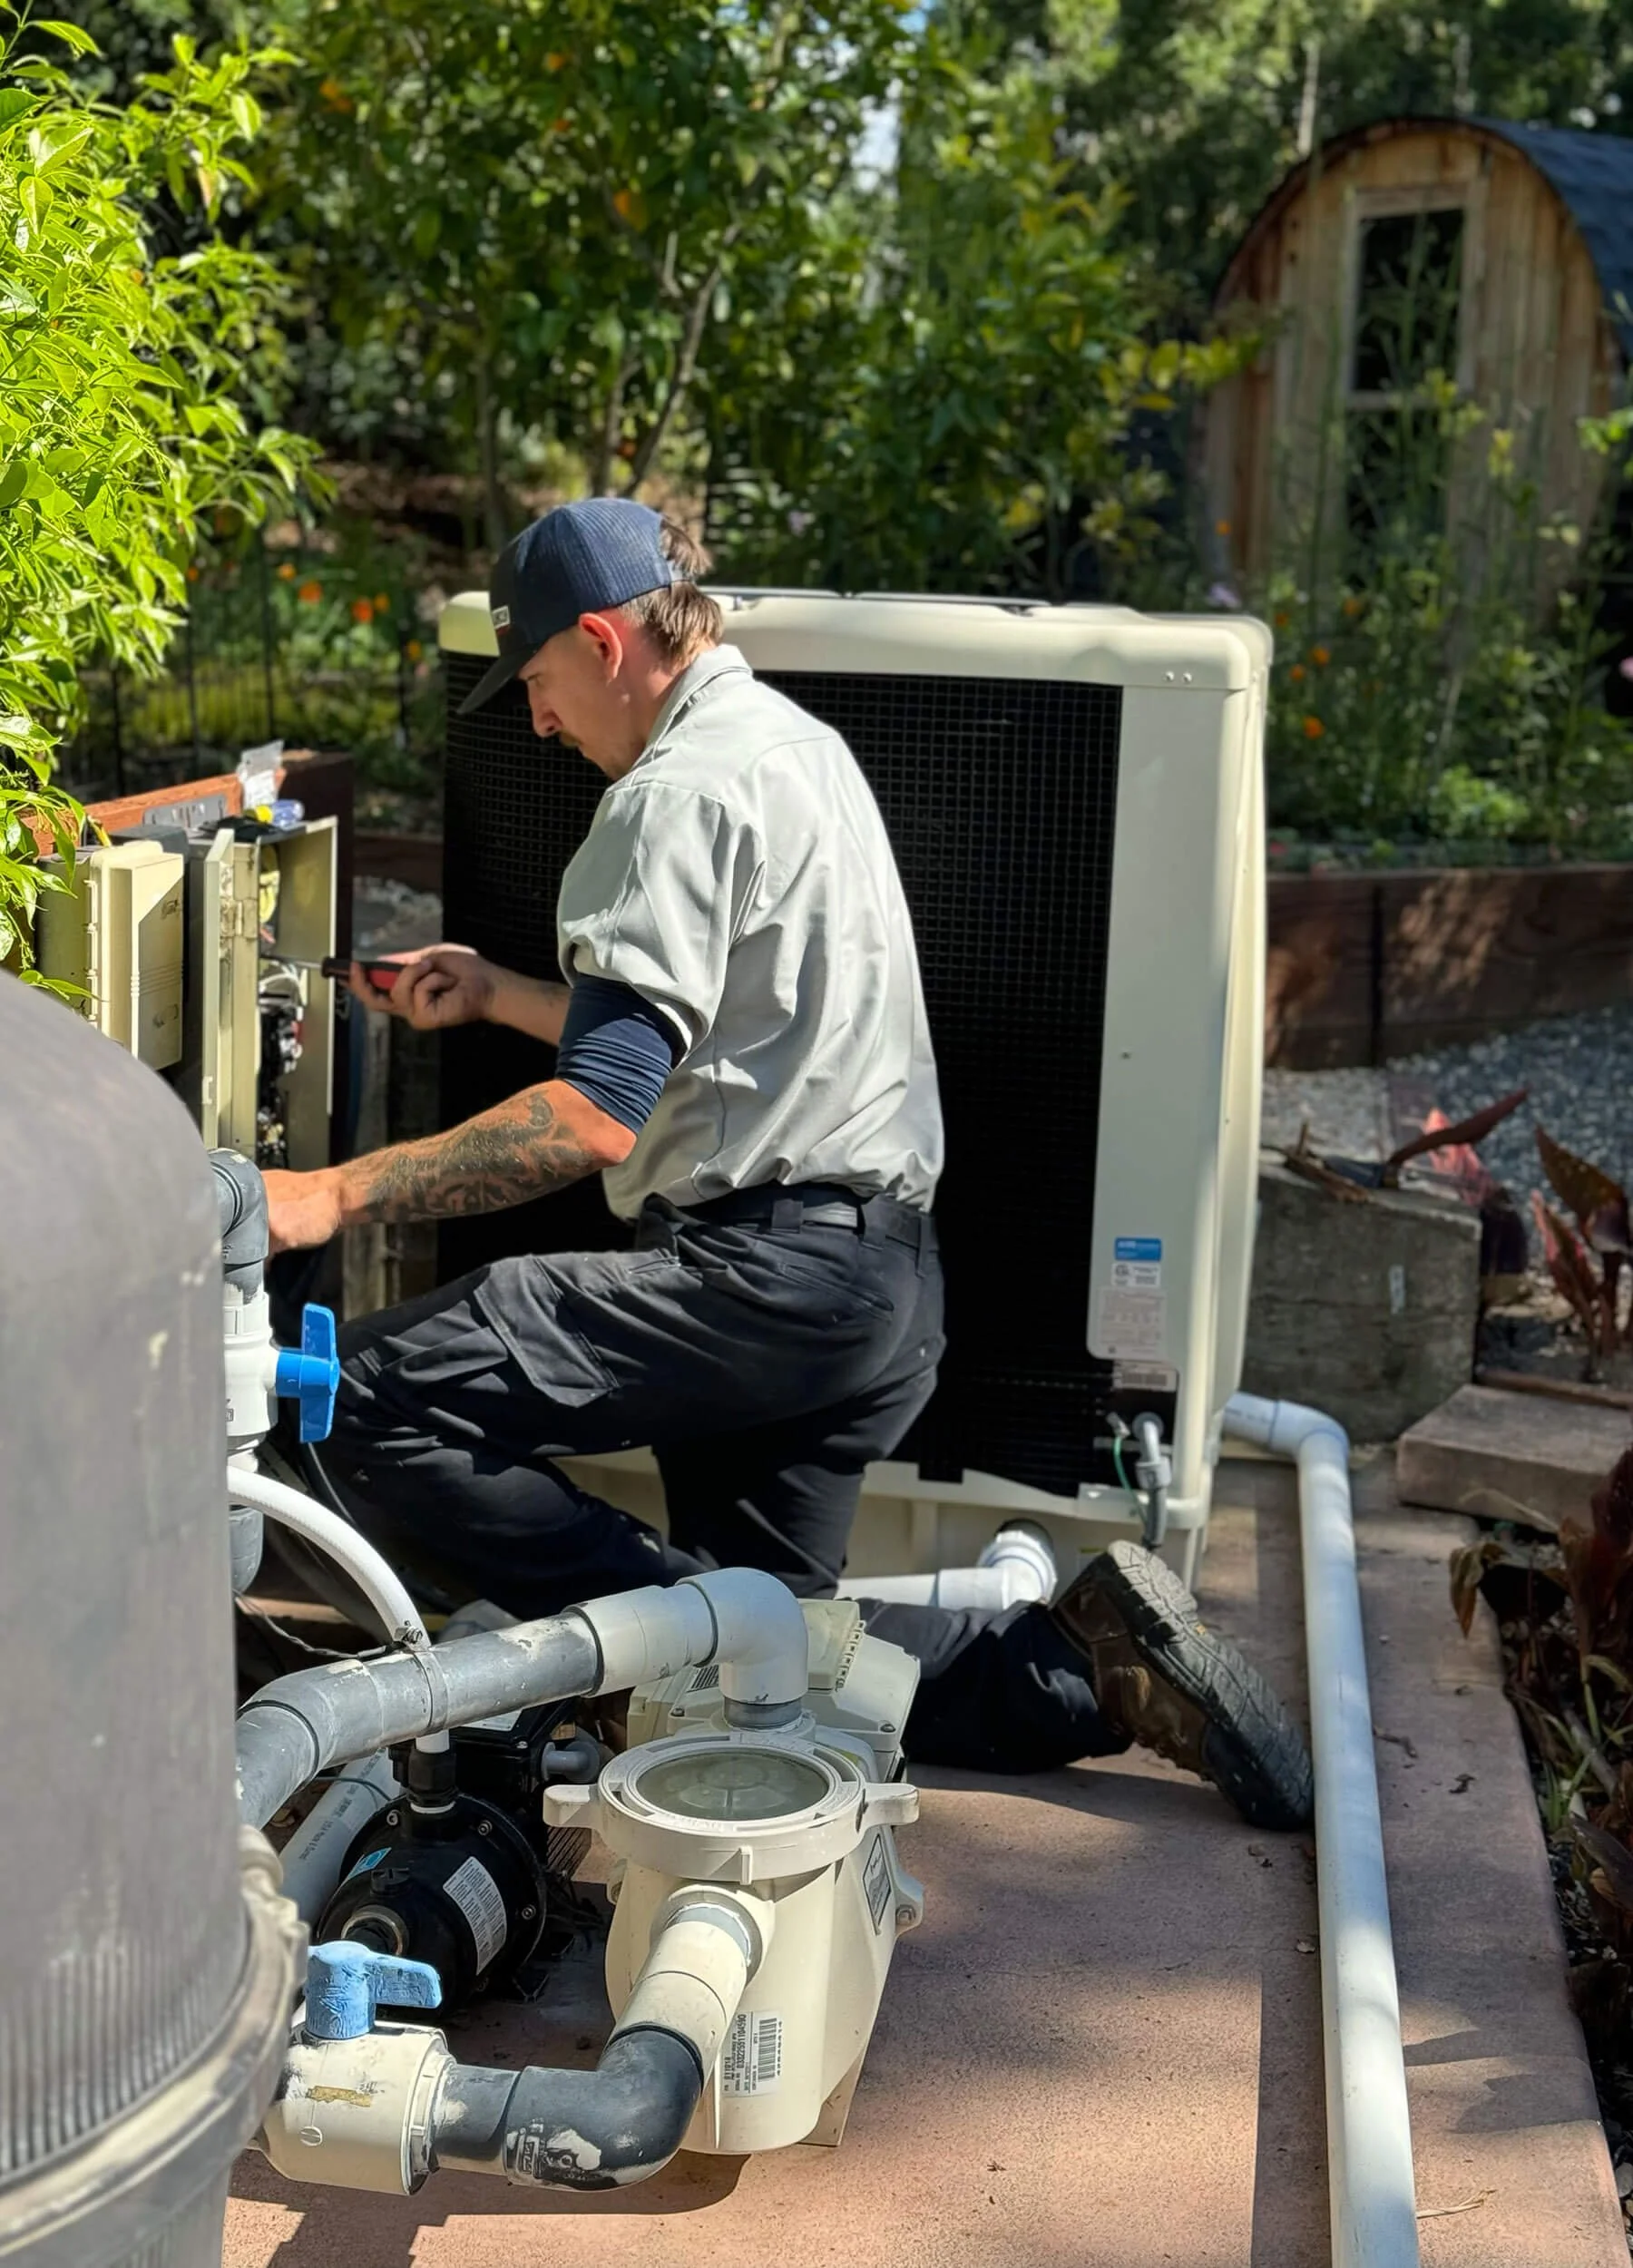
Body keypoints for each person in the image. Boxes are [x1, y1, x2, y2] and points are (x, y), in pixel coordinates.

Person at [263, 498, 1312, 1829]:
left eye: (535, 682)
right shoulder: (789, 748)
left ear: (601, 640)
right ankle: (1087, 1674)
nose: (536, 720)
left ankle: (656, 1638)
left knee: (358, 1401)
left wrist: (338, 1189)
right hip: (880, 1287)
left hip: (765, 1276)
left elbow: (597, 1116)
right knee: (786, 1676)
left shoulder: (666, 800)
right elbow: (724, 1033)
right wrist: (501, 995)